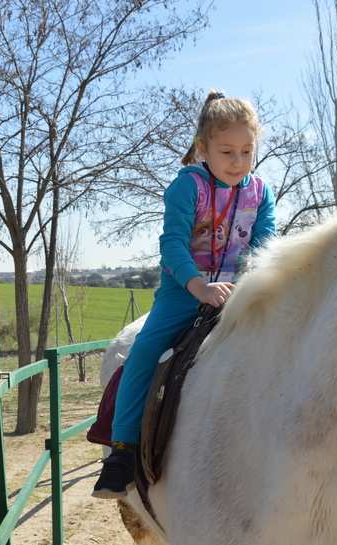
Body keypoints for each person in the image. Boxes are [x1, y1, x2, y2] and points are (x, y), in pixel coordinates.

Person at [92, 91, 277, 499]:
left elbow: (265, 246)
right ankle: (122, 449)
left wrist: (248, 286)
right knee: (143, 351)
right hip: (184, 290)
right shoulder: (186, 187)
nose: (238, 162)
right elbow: (173, 244)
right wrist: (199, 285)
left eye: (247, 151)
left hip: (241, 290)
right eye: (226, 151)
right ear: (202, 148)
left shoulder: (261, 192)